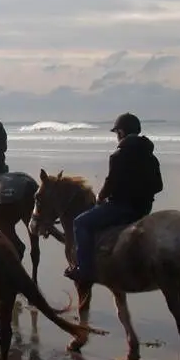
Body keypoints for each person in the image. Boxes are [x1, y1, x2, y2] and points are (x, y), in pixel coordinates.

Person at [64, 112, 163, 285]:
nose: (117, 137)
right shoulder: (150, 156)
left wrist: (101, 196)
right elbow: (158, 186)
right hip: (144, 209)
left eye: (117, 133)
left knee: (80, 223)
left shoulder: (118, 156)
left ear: (122, 133)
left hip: (122, 208)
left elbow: (110, 183)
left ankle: (84, 271)